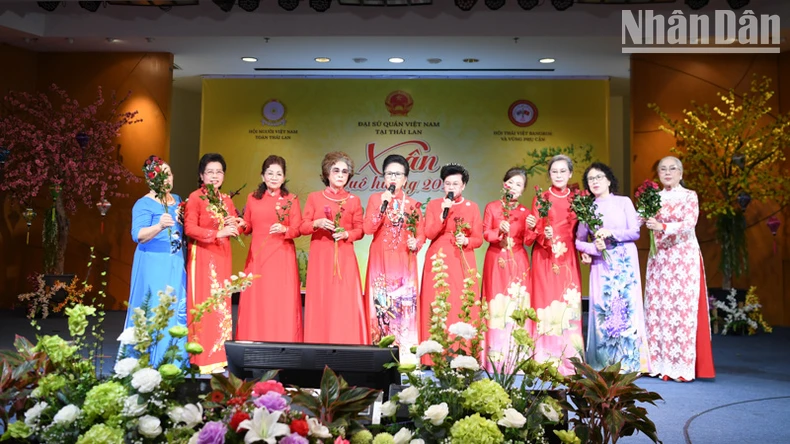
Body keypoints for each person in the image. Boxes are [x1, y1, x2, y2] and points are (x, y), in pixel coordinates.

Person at [643, 156, 715, 382]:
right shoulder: (653, 197)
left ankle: (680, 366)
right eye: (662, 169)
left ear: (681, 173)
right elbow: (639, 219)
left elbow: (689, 223)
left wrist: (662, 226)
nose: (667, 172)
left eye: (672, 169)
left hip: (683, 258)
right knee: (658, 309)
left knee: (681, 310)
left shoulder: (689, 196)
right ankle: (658, 363)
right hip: (659, 259)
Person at [575, 162, 650, 373]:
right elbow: (579, 240)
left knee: (626, 307)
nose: (595, 181)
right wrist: (594, 248)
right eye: (591, 179)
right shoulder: (587, 208)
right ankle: (604, 362)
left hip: (625, 262)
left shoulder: (624, 202)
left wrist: (611, 234)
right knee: (605, 308)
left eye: (599, 177)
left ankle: (629, 362)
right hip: (602, 264)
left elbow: (635, 232)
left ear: (609, 180)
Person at [122, 156, 187, 367]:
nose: (166, 179)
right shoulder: (143, 204)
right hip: (153, 264)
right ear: (150, 180)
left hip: (175, 262)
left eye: (168, 174)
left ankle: (174, 360)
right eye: (160, 175)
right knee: (153, 307)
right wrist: (159, 226)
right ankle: (147, 361)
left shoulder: (177, 200)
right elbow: (138, 235)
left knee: (176, 307)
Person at [184, 153, 245, 374]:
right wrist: (217, 233)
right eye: (210, 172)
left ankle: (219, 357)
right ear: (201, 175)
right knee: (205, 304)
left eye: (219, 172)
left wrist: (238, 223)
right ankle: (201, 358)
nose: (215, 176)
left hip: (222, 256)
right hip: (202, 256)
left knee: (221, 304)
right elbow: (189, 228)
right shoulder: (195, 198)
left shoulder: (226, 199)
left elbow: (234, 227)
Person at [300, 151, 368, 345]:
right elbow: (302, 227)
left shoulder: (354, 200)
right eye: (336, 170)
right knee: (322, 300)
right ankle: (319, 344)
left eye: (344, 172)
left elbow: (360, 230)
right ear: (327, 173)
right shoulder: (314, 198)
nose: (340, 175)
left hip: (345, 257)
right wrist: (317, 223)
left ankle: (346, 343)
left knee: (344, 300)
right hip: (321, 257)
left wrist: (347, 234)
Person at [237, 155, 303, 342]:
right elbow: (248, 227)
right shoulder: (252, 198)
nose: (274, 177)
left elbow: (298, 229)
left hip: (282, 257)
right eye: (270, 173)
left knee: (280, 301)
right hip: (258, 258)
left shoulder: (291, 199)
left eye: (278, 174)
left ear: (284, 178)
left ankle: (284, 342)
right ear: (262, 176)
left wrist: (285, 229)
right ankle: (253, 341)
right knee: (258, 300)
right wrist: (241, 224)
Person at [529, 155, 585, 375]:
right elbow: (534, 230)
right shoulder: (541, 198)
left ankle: (570, 359)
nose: (559, 175)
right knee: (546, 302)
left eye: (563, 171)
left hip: (567, 256)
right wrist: (544, 234)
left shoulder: (578, 199)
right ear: (549, 174)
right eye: (555, 171)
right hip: (545, 255)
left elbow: (584, 229)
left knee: (568, 302)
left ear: (570, 173)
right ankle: (545, 356)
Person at [364, 154, 425, 354]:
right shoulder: (376, 199)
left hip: (403, 262)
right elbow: (368, 229)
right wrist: (382, 207)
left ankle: (405, 355)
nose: (393, 178)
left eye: (398, 174)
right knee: (381, 308)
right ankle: (378, 355)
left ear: (405, 179)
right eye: (389, 173)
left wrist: (416, 242)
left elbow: (421, 234)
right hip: (380, 261)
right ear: (383, 177)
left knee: (402, 308)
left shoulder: (413, 205)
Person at [419, 163, 483, 353]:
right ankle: (434, 355)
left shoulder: (472, 207)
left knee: (460, 302)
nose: (451, 187)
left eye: (455, 184)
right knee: (437, 301)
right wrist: (442, 215)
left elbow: (479, 239)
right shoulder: (434, 205)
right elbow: (429, 233)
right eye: (448, 184)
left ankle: (463, 354)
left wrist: (467, 240)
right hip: (438, 258)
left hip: (462, 258)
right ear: (443, 185)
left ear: (463, 186)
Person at [481, 166, 535, 371]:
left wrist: (532, 227)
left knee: (517, 304)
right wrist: (498, 230)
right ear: (504, 185)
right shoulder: (492, 207)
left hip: (518, 260)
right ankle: (494, 357)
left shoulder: (525, 212)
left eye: (518, 184)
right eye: (510, 182)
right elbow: (486, 234)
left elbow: (528, 241)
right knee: (495, 306)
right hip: (496, 260)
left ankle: (518, 357)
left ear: (523, 190)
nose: (513, 187)